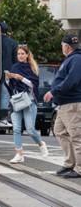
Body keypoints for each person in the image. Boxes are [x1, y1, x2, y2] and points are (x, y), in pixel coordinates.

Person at [44, 34, 81, 178]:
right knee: (59, 131)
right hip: (65, 104)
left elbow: (72, 81)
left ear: (66, 46)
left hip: (73, 104)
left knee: (77, 136)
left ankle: (79, 168)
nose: (62, 48)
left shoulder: (76, 59)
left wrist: (54, 91)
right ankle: (69, 163)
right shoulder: (72, 59)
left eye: (62, 46)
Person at [6, 45, 48, 163]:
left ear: (27, 55)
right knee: (16, 129)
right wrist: (8, 78)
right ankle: (19, 154)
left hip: (29, 100)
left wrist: (21, 78)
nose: (20, 56)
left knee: (30, 129)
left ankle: (41, 143)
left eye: (22, 53)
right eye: (18, 54)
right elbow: (10, 86)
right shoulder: (14, 67)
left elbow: (33, 85)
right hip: (16, 100)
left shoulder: (32, 67)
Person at [0, 22, 18, 126]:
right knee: (5, 95)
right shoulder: (13, 43)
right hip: (7, 73)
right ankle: (3, 118)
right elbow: (15, 61)